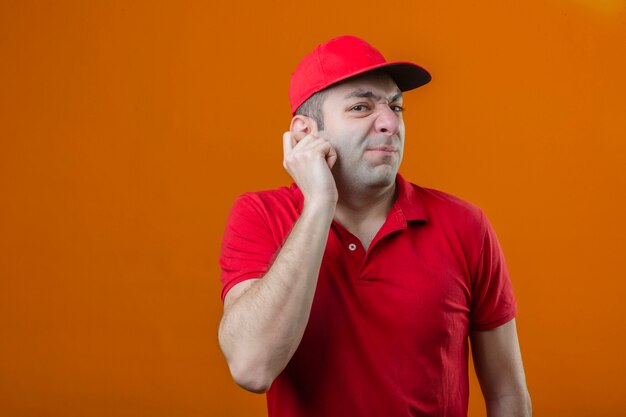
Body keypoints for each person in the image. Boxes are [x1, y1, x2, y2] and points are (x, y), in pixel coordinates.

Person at [218, 35, 531, 417]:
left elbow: (508, 397)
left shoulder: (466, 225)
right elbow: (252, 367)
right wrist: (319, 204)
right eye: (361, 107)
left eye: (396, 106)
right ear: (304, 133)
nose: (389, 123)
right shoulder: (261, 215)